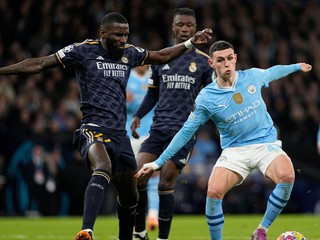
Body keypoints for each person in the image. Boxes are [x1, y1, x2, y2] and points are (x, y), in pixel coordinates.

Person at [0, 12, 212, 240]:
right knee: (103, 167)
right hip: (93, 129)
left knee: (130, 197)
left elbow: (160, 57)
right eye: (118, 35)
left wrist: (190, 43)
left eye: (126, 34)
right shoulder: (82, 50)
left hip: (119, 135)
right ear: (103, 34)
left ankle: (128, 237)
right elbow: (40, 63)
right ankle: (86, 229)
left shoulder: (129, 53)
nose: (123, 39)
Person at [136, 40, 312, 240]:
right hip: (234, 151)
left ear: (235, 59)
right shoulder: (206, 98)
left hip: (265, 144)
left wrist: (297, 67)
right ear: (212, 64)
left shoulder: (252, 76)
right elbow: (185, 132)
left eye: (230, 58)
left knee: (287, 176)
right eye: (220, 60)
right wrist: (158, 162)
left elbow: (275, 71)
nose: (226, 63)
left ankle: (261, 230)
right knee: (213, 192)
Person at [130, 8, 214, 240]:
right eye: (180, 24)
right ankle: (139, 232)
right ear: (173, 27)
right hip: (158, 129)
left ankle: (162, 238)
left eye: (189, 25)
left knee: (165, 181)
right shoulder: (160, 57)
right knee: (138, 176)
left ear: (194, 28)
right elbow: (152, 94)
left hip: (184, 132)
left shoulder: (203, 62)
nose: (185, 28)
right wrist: (138, 115)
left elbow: (211, 95)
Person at [125, 65, 160, 231]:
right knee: (132, 177)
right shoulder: (127, 77)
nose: (143, 64)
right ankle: (133, 215)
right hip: (130, 134)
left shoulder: (153, 76)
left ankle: (153, 215)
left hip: (150, 133)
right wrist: (125, 100)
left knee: (153, 174)